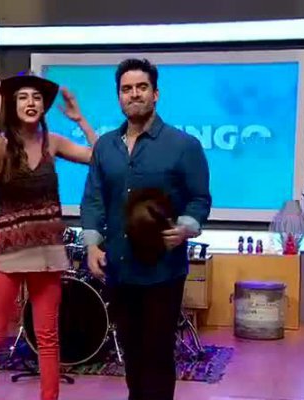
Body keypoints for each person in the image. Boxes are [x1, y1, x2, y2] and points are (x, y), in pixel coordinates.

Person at [80, 58, 212, 400]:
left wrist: (186, 227)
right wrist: (92, 245)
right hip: (119, 269)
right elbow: (93, 199)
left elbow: (200, 199)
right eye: (127, 89)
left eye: (141, 87)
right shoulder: (105, 146)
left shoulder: (183, 145)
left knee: (157, 355)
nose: (134, 94)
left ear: (156, 94)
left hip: (162, 271)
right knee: (132, 353)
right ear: (119, 96)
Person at [0, 72, 98, 400]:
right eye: (23, 97)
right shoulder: (1, 143)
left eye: (37, 98)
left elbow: (99, 156)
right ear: (13, 105)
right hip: (7, 248)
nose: (31, 103)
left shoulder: (51, 141)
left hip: (46, 249)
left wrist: (80, 120)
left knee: (48, 335)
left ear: (43, 106)